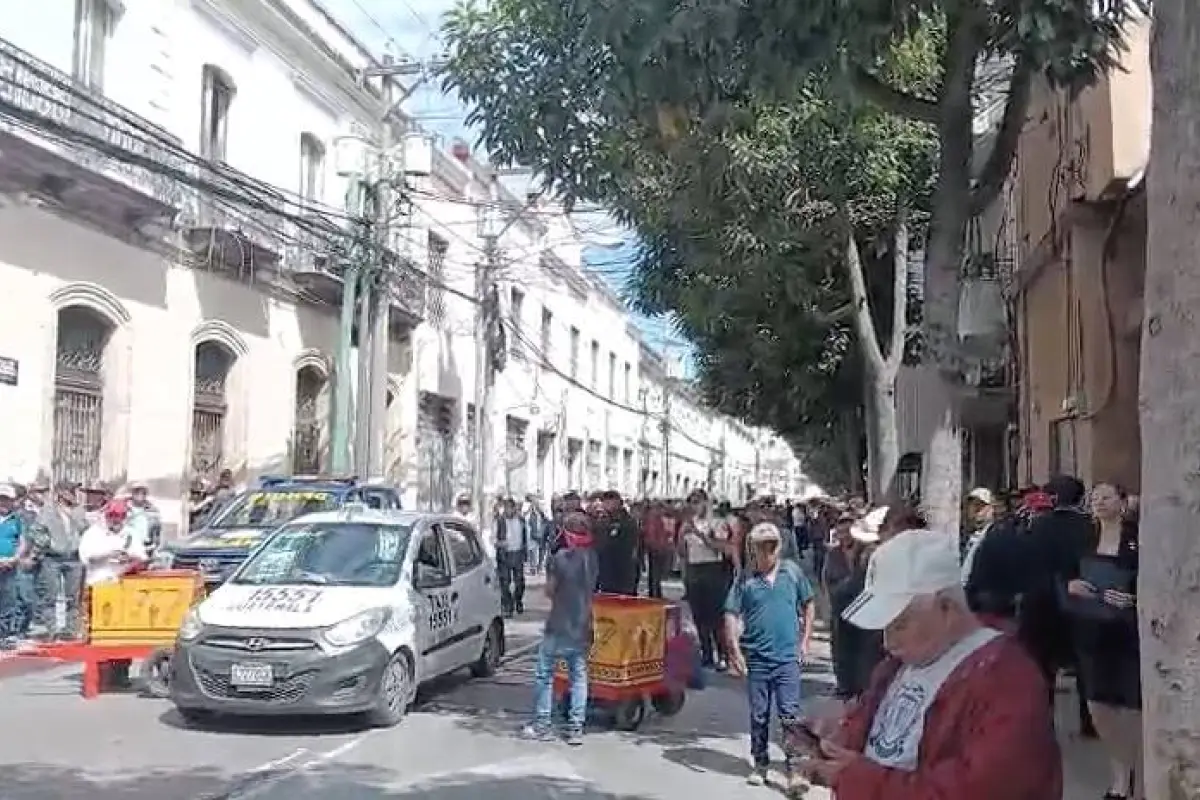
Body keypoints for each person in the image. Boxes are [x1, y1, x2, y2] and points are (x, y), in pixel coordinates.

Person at [800, 529, 1061, 799]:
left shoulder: (1009, 680)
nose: (888, 642)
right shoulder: (899, 666)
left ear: (946, 608)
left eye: (899, 624)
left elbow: (978, 789)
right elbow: (880, 732)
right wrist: (841, 735)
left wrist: (857, 779)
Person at [723, 522, 815, 793]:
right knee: (760, 715)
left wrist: (805, 640)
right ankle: (760, 763)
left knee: (790, 715)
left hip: (787, 657)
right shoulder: (745, 579)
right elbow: (731, 613)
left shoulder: (792, 573)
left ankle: (795, 770)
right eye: (761, 547)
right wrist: (734, 649)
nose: (767, 553)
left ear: (778, 547)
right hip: (758, 658)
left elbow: (808, 603)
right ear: (752, 549)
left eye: (771, 547)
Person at [1063, 482, 1141, 800]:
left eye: (1107, 497)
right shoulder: (1084, 536)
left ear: (1123, 503)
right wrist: (1071, 585)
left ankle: (1128, 781)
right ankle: (1120, 770)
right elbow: (1062, 576)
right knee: (1097, 706)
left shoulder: (1138, 540)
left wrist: (1132, 598)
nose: (1100, 503)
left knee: (1129, 707)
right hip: (1090, 630)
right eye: (1095, 498)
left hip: (1126, 632)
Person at [523, 512, 598, 745]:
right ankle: (575, 728)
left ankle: (542, 724)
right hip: (583, 622)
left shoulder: (560, 558)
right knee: (579, 677)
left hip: (559, 623)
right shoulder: (592, 557)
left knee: (545, 675)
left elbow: (550, 591)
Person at [28, 480, 88, 641]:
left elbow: (86, 530)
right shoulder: (48, 510)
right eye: (70, 490)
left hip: (73, 558)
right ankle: (51, 629)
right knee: (50, 596)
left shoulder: (79, 510)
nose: (74, 493)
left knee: (73, 596)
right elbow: (35, 531)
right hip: (52, 559)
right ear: (61, 492)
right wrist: (48, 543)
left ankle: (71, 629)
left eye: (74, 490)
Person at [681, 490, 731, 668]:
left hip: (712, 569)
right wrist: (682, 535)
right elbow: (682, 552)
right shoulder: (689, 523)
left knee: (715, 616)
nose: (694, 506)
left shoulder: (717, 523)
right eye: (692, 502)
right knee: (699, 615)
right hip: (694, 569)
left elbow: (721, 548)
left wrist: (699, 533)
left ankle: (723, 654)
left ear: (706, 503)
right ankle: (706, 653)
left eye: (697, 502)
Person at [594, 491, 639, 595]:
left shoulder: (627, 521)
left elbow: (626, 545)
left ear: (618, 502)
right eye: (605, 502)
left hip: (622, 569)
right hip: (606, 570)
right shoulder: (603, 520)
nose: (606, 505)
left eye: (610, 501)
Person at [0, 484, 28, 649]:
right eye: (1, 499)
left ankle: (6, 634)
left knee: (9, 600)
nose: (3, 503)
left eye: (6, 500)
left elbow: (22, 541)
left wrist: (16, 557)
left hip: (10, 565)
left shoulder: (16, 520)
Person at [494, 497, 528, 616]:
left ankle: (517, 600)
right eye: (506, 508)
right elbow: (493, 538)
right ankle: (507, 605)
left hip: (517, 553)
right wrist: (499, 543)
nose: (508, 510)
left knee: (519, 582)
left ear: (514, 508)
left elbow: (525, 537)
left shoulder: (521, 520)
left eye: (510, 508)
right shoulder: (499, 521)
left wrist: (525, 552)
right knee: (505, 582)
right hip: (505, 554)